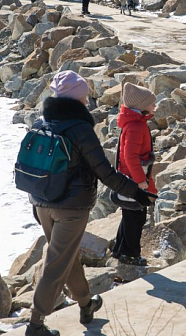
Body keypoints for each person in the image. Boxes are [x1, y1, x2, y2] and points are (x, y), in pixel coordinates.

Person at [26, 71, 157, 336]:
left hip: (41, 203)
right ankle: (35, 324)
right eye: (85, 96)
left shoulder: (42, 121)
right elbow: (104, 171)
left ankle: (86, 304)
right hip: (70, 210)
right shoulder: (80, 129)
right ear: (75, 98)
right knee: (56, 262)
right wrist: (136, 192)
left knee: (66, 255)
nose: (87, 100)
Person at [111, 83, 157, 266]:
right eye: (152, 103)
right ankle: (130, 255)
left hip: (129, 178)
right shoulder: (136, 126)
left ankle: (119, 250)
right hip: (135, 181)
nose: (154, 106)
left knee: (129, 214)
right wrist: (140, 182)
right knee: (136, 217)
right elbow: (130, 156)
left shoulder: (134, 123)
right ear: (141, 106)